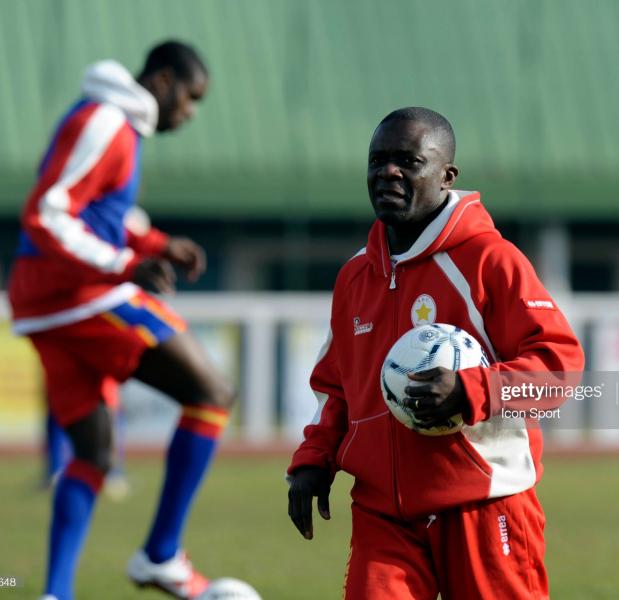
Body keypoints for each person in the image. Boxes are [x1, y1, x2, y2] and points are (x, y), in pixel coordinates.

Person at [287, 107, 585, 599]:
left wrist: (471, 390)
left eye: (408, 160)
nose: (388, 172)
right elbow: (338, 386)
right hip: (383, 515)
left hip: (484, 504)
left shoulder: (491, 260)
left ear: (447, 176)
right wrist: (314, 456)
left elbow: (561, 368)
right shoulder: (355, 277)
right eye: (377, 160)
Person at [7, 41, 234, 600]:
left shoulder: (113, 124)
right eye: (191, 97)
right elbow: (47, 212)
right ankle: (161, 557)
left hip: (49, 305)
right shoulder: (106, 121)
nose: (191, 112)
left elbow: (100, 213)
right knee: (211, 392)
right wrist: (125, 264)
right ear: (162, 80)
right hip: (78, 296)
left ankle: (55, 593)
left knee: (94, 454)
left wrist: (157, 243)